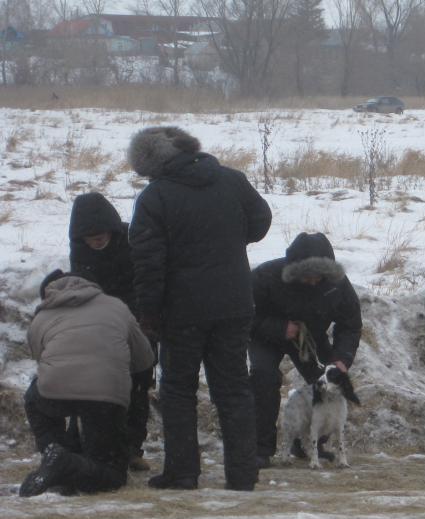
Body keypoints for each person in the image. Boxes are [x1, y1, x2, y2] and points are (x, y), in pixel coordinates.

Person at [128, 126, 272, 491]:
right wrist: (227, 239)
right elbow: (261, 222)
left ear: (151, 164)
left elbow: (148, 262)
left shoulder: (155, 196)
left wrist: (148, 313)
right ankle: (243, 474)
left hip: (182, 310)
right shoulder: (232, 179)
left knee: (178, 390)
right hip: (235, 301)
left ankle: (182, 472)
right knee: (234, 388)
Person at [20, 271, 155, 497]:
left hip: (55, 388)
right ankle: (65, 463)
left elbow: (39, 357)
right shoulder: (116, 306)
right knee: (112, 475)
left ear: (49, 292)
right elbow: (145, 358)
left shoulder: (43, 314)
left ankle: (55, 452)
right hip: (105, 393)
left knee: (35, 400)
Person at [249, 232, 362, 467]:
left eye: (318, 276)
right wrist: (280, 328)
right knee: (264, 378)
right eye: (307, 276)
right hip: (266, 337)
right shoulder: (266, 276)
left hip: (311, 338)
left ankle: (310, 444)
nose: (312, 282)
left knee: (324, 383)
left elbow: (350, 324)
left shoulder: (337, 284)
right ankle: (261, 448)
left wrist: (342, 358)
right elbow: (245, 314)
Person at [68, 191, 154, 472]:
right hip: (101, 327)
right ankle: (104, 447)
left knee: (138, 386)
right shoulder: (79, 250)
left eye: (101, 234)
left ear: (112, 229)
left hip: (139, 321)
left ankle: (132, 448)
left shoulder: (132, 241)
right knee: (103, 388)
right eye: (90, 237)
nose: (97, 240)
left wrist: (136, 316)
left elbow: (145, 279)